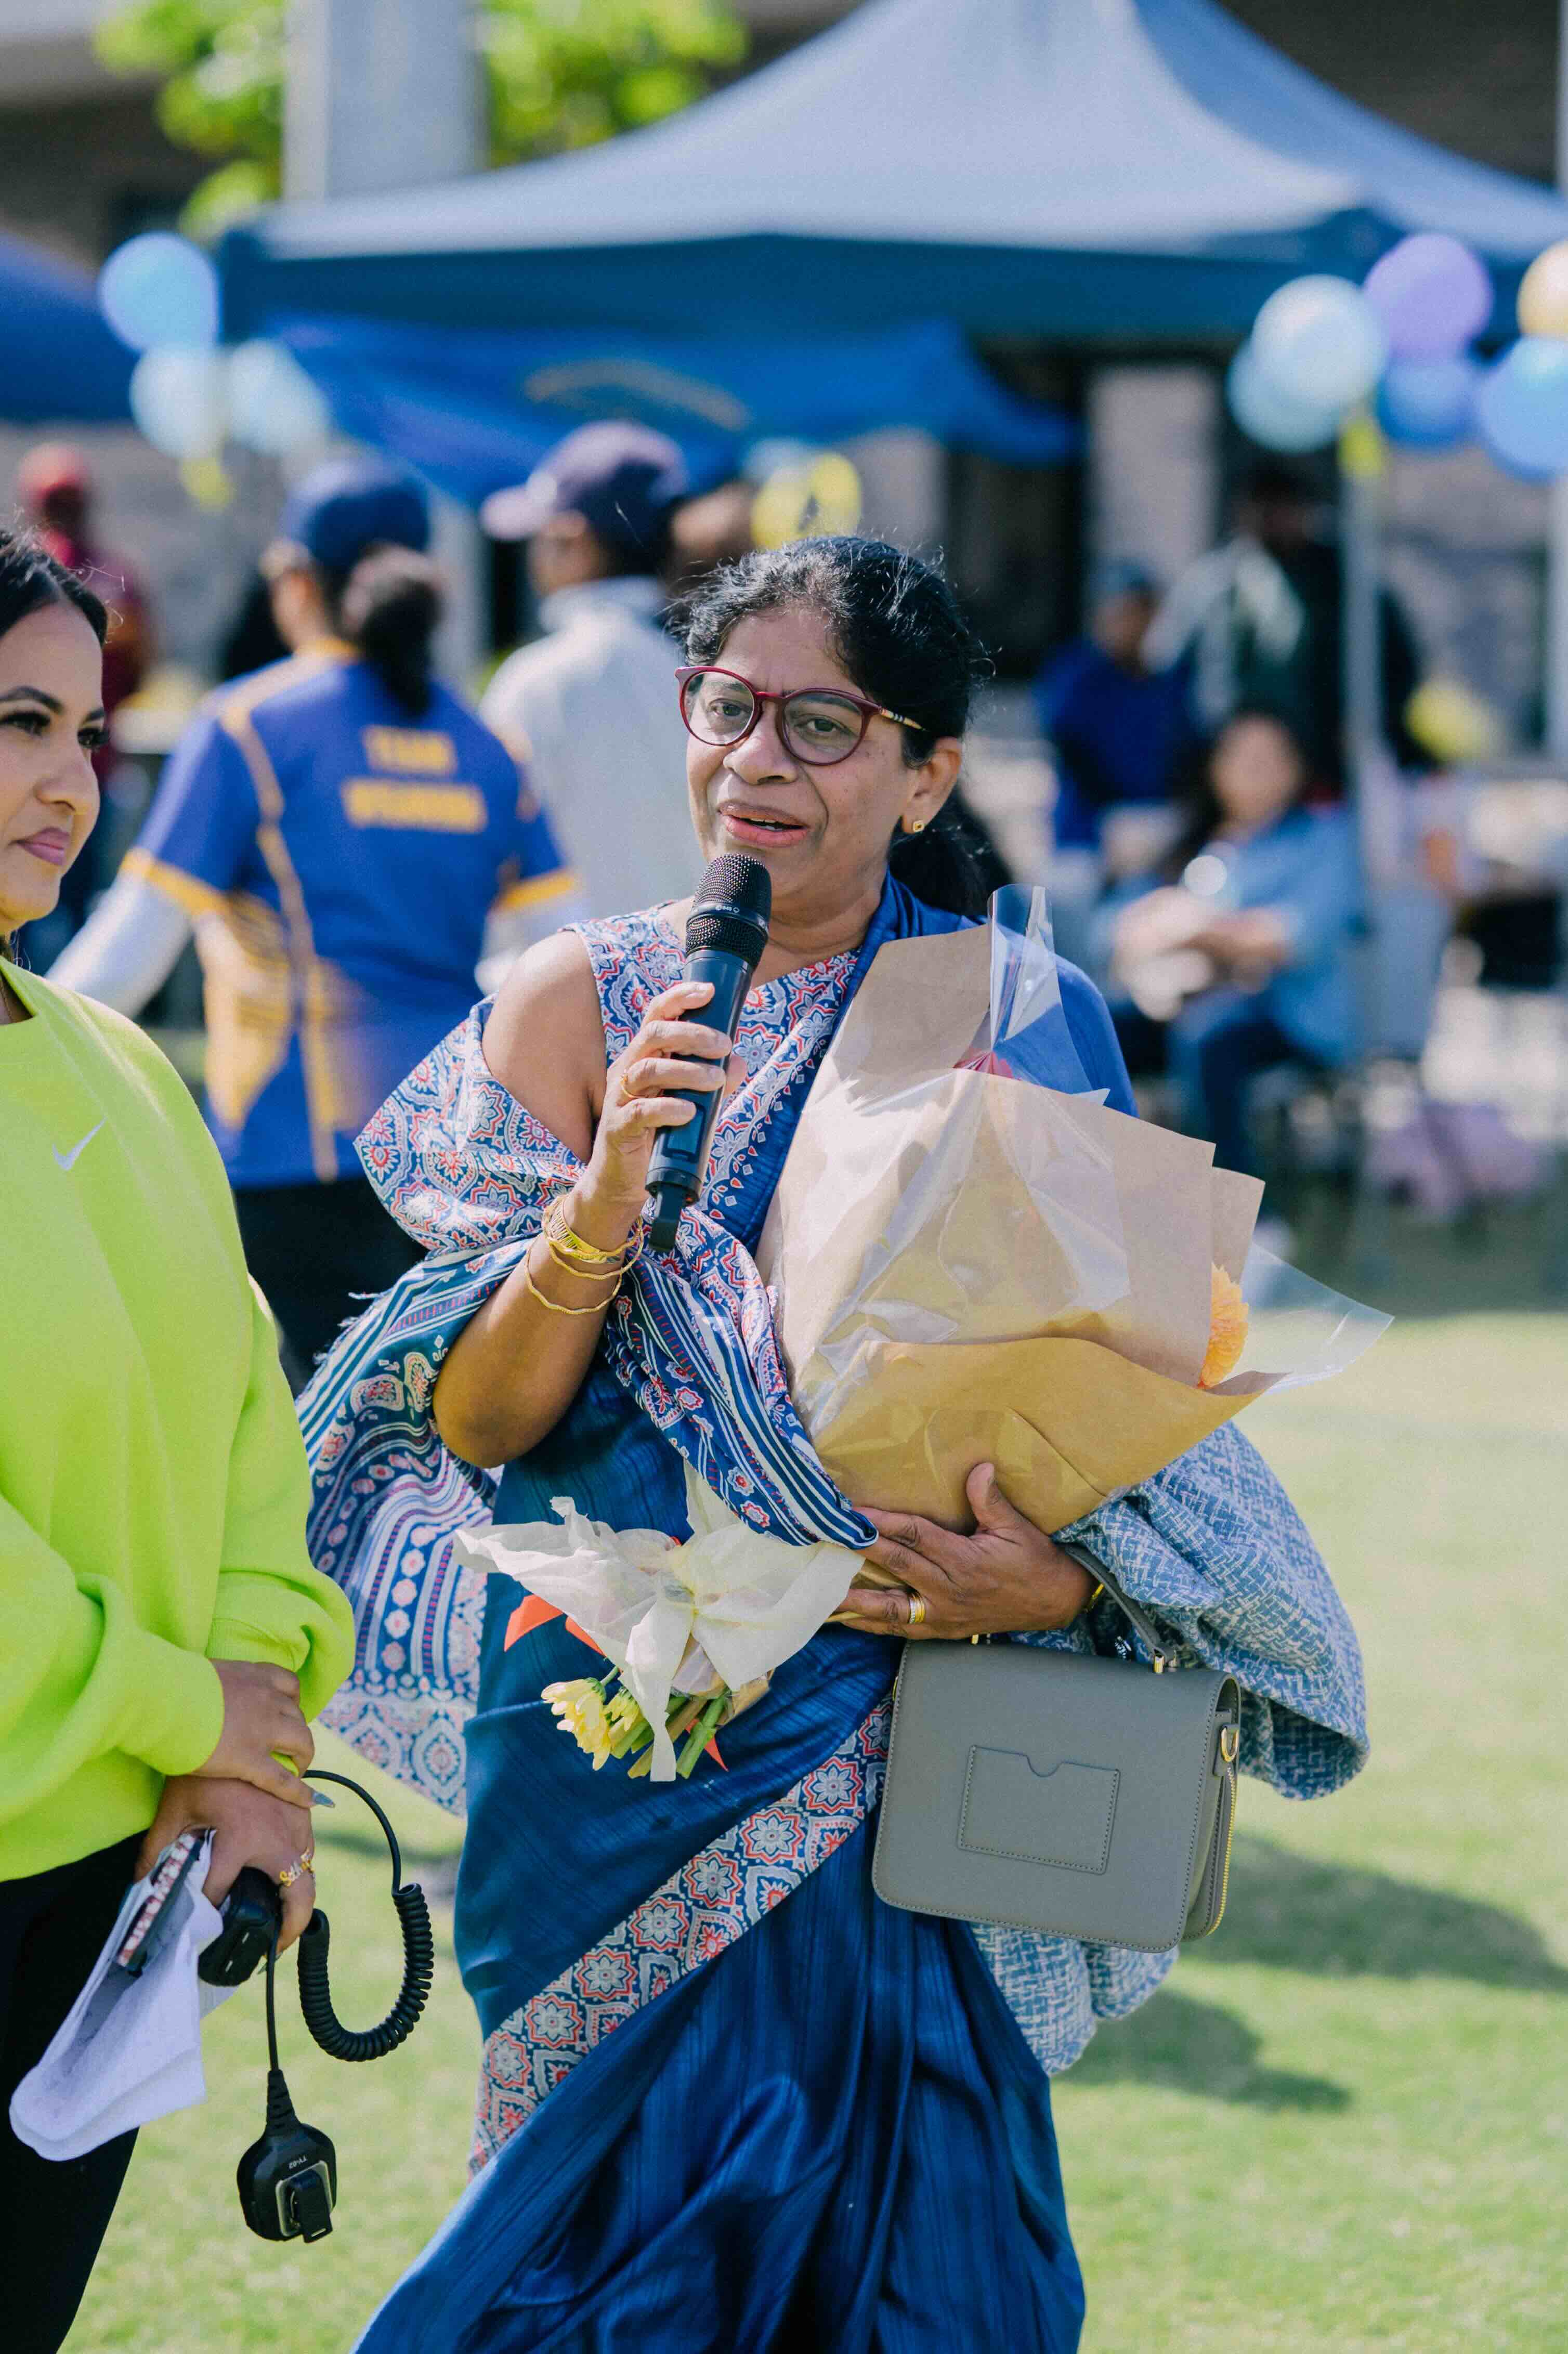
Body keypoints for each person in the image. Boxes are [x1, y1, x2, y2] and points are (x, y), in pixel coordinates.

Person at [299, 539, 1365, 2352]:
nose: (760, 763)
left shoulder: (1021, 1016)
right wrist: (606, 1196)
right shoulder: (579, 998)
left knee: (923, 2259)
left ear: (925, 769)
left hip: (895, 1734)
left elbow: (1088, 1407)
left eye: (823, 724)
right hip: (611, 1724)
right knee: (602, 2253)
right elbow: (478, 1418)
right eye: (728, 711)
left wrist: (1036, 1580)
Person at [0, 526, 352, 2352]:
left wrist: (244, 1733)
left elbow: (243, 1416)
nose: (68, 778)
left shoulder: (119, 1061)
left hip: (115, 1890)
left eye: (86, 727)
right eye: (15, 720)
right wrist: (182, 1711)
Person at [55, 456, 576, 1387]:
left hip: (291, 1145)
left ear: (299, 582)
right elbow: (559, 955)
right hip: (452, 1151)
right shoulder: (490, 744)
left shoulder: (250, 724)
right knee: (427, 1456)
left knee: (301, 1452)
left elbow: (133, 946)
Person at [1101, 707, 1360, 1176]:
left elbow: (1293, 938)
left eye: (1267, 760)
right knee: (1095, 1023)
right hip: (1181, 1002)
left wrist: (1193, 927)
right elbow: (1119, 927)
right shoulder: (1196, 840)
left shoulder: (1323, 839)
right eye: (1238, 758)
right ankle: (1103, 1188)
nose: (1251, 773)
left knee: (1209, 1037)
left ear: (1296, 769)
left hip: (1290, 1019)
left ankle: (1241, 1216)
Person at [480, 422, 695, 917]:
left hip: (562, 981)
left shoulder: (537, 680)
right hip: (699, 980)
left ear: (570, 539)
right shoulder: (714, 672)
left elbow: (487, 853)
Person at [1143, 462, 1423, 789]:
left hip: (1324, 765)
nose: (1272, 520)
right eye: (1261, 508)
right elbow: (1163, 665)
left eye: (1284, 508)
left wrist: (1368, 723)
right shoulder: (1214, 581)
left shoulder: (1346, 583)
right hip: (1230, 767)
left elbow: (1400, 664)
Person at [16, 443, 153, 945]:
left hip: (75, 769)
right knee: (74, 908)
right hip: (96, 767)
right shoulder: (117, 576)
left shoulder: (27, 577)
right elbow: (141, 675)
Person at [1034, 561, 1191, 856]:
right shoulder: (1074, 673)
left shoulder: (1168, 681)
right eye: (1117, 612)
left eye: (1137, 612)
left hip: (1155, 832)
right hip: (1085, 837)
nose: (1127, 623)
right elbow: (1071, 748)